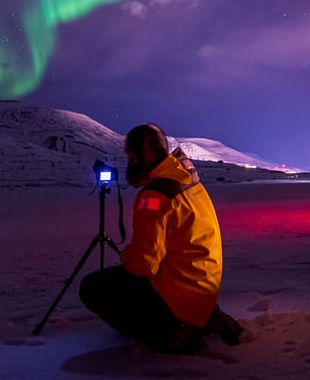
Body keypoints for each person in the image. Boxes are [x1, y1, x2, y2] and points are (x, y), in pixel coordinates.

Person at [79, 123, 243, 352]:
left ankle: (172, 331)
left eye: (131, 156)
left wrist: (127, 255)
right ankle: (203, 316)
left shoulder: (155, 196)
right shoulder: (187, 179)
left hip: (179, 293)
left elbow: (143, 266)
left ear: (136, 156)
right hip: (201, 284)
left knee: (92, 288)